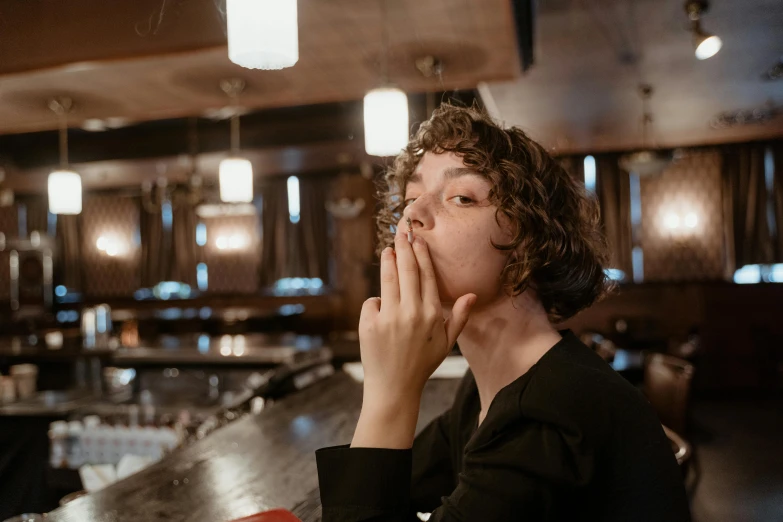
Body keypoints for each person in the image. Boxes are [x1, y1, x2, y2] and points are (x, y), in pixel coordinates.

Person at [315, 104, 691, 521]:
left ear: (532, 241)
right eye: (411, 197)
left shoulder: (551, 414)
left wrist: (389, 391)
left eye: (461, 197)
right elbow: (382, 489)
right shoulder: (485, 390)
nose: (412, 216)